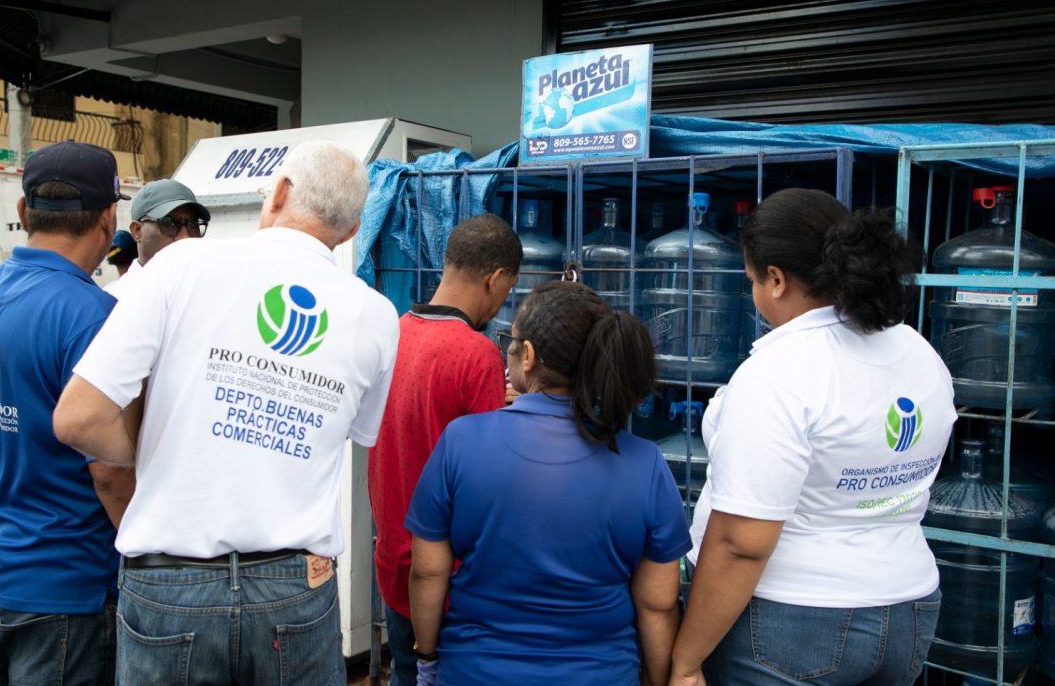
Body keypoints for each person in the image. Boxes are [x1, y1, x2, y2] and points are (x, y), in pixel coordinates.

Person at [53, 140, 400, 685]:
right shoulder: (377, 316)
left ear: (280, 192)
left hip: (170, 581)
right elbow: (357, 432)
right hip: (295, 588)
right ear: (353, 229)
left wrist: (148, 457)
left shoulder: (180, 265)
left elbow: (77, 419)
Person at [670, 188, 957, 686]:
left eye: (752, 279)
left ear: (776, 279)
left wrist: (688, 659)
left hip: (793, 624)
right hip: (908, 612)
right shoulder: (919, 352)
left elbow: (742, 542)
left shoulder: (779, 374)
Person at [0, 140, 133, 685]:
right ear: (110, 219)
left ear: (22, 212)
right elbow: (108, 470)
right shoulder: (96, 317)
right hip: (68, 592)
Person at [407, 280, 690, 686]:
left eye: (511, 339)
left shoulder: (460, 441)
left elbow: (428, 572)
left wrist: (427, 657)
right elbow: (659, 604)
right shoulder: (645, 464)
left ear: (529, 356)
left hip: (476, 671)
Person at [369, 213, 522, 686]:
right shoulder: (476, 353)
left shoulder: (394, 331)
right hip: (449, 581)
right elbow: (488, 473)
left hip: (395, 562)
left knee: (404, 672)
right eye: (507, 290)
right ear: (496, 279)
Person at [106, 178, 210, 298]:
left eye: (192, 224)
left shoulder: (209, 293)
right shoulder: (114, 302)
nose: (185, 235)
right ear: (137, 231)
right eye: (168, 223)